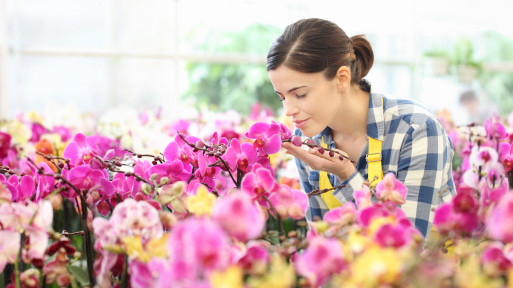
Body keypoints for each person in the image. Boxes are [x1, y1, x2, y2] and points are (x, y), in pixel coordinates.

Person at [267, 18, 456, 238]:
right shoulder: (307, 138)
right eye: (282, 97)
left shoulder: (415, 130)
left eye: (300, 94)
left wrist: (345, 173)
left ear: (341, 78)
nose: (288, 110)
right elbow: (321, 237)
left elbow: (408, 244)